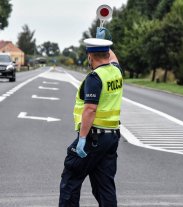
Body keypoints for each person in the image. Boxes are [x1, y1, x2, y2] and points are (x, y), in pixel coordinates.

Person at [59, 38, 124, 207]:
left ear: (90, 56)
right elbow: (114, 59)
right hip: (111, 138)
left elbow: (90, 109)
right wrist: (103, 39)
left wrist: (82, 139)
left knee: (71, 179)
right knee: (104, 187)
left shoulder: (95, 78)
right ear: (107, 54)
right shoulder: (116, 72)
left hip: (93, 139)